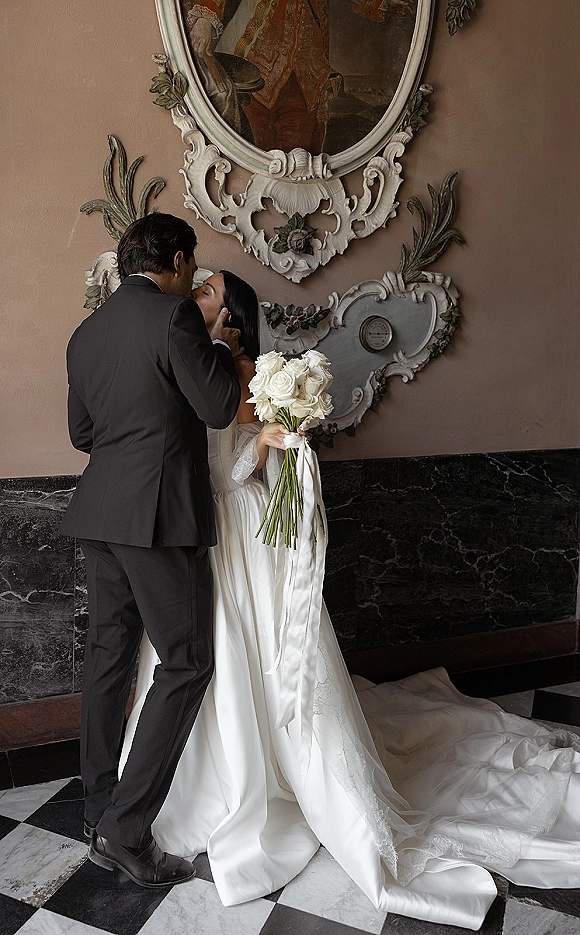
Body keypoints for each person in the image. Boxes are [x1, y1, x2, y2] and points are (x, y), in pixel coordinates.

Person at [120, 269, 580, 929]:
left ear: (232, 314)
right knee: (209, 651)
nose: (196, 291)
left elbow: (227, 461)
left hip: (238, 529)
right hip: (213, 531)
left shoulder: (231, 362)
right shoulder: (195, 356)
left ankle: (247, 779)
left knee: (238, 646)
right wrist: (264, 442)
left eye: (209, 289)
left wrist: (271, 440)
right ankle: (190, 782)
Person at [60, 214, 242, 888]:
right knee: (187, 661)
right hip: (159, 516)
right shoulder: (175, 318)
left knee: (109, 657)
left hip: (100, 510)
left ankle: (99, 805)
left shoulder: (85, 333)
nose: (192, 279)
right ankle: (125, 829)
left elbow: (83, 432)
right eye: (190, 267)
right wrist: (219, 347)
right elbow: (220, 407)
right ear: (174, 258)